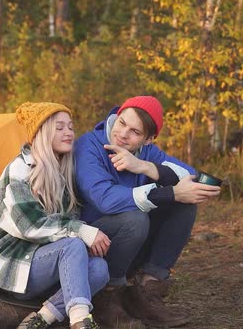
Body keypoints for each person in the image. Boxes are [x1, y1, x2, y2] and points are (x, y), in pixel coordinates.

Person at [73, 96, 222, 327]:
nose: (123, 134)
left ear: (148, 139)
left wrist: (144, 166)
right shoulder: (89, 146)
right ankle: (107, 295)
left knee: (183, 204)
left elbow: (189, 174)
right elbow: (105, 199)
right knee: (136, 218)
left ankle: (148, 290)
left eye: (134, 131)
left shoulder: (146, 152)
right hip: (91, 243)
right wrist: (170, 193)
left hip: (129, 245)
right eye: (122, 123)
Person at [0, 102, 111, 329]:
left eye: (70, 127)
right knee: (73, 245)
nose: (68, 132)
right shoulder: (19, 169)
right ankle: (81, 322)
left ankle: (41, 318)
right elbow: (30, 226)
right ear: (42, 133)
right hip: (14, 266)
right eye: (59, 127)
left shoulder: (63, 171)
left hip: (45, 262)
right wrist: (83, 232)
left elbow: (70, 220)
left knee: (99, 269)